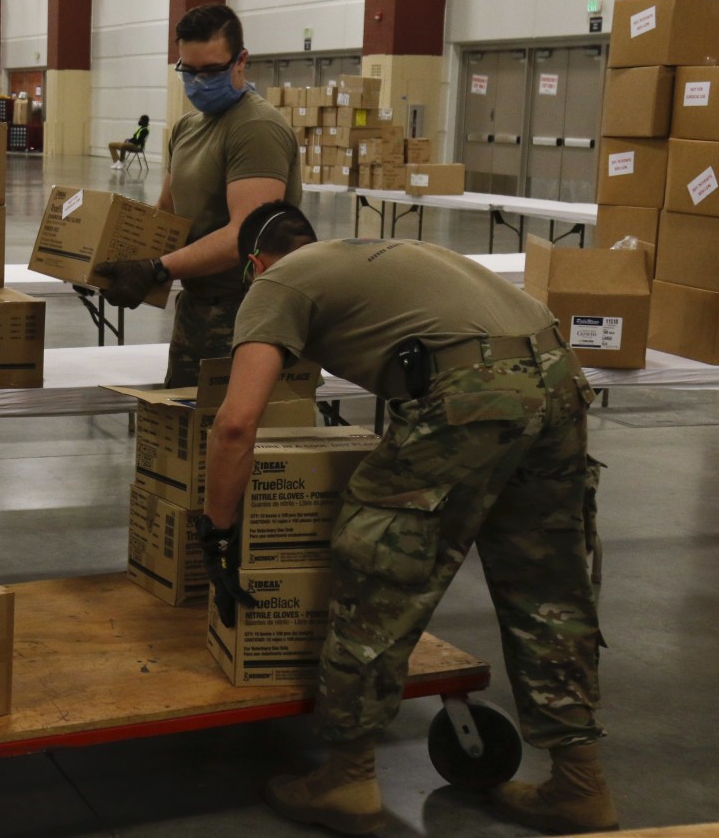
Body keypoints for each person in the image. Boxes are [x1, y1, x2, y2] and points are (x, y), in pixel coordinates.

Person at [199, 202, 615, 835]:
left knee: (379, 572)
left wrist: (219, 530)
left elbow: (235, 423)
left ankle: (346, 779)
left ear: (254, 264)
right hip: (559, 376)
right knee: (548, 587)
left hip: (472, 393)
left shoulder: (275, 284)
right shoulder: (369, 253)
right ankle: (580, 786)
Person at [95, 2, 301, 388]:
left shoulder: (255, 128)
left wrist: (156, 269)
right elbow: (166, 215)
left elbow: (247, 235)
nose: (199, 82)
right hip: (197, 308)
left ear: (241, 61)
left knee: (240, 438)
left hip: (251, 311)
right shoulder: (186, 128)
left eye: (211, 71)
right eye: (188, 72)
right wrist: (107, 260)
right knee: (185, 433)